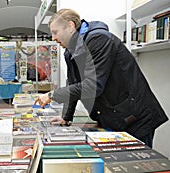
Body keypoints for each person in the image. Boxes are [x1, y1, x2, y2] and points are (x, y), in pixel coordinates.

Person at [35, 8, 168, 148]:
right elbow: (73, 82)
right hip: (114, 117)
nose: (53, 38)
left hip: (136, 118)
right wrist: (66, 117)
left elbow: (93, 87)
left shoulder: (99, 40)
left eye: (55, 32)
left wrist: (52, 95)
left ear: (70, 26)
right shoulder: (70, 51)